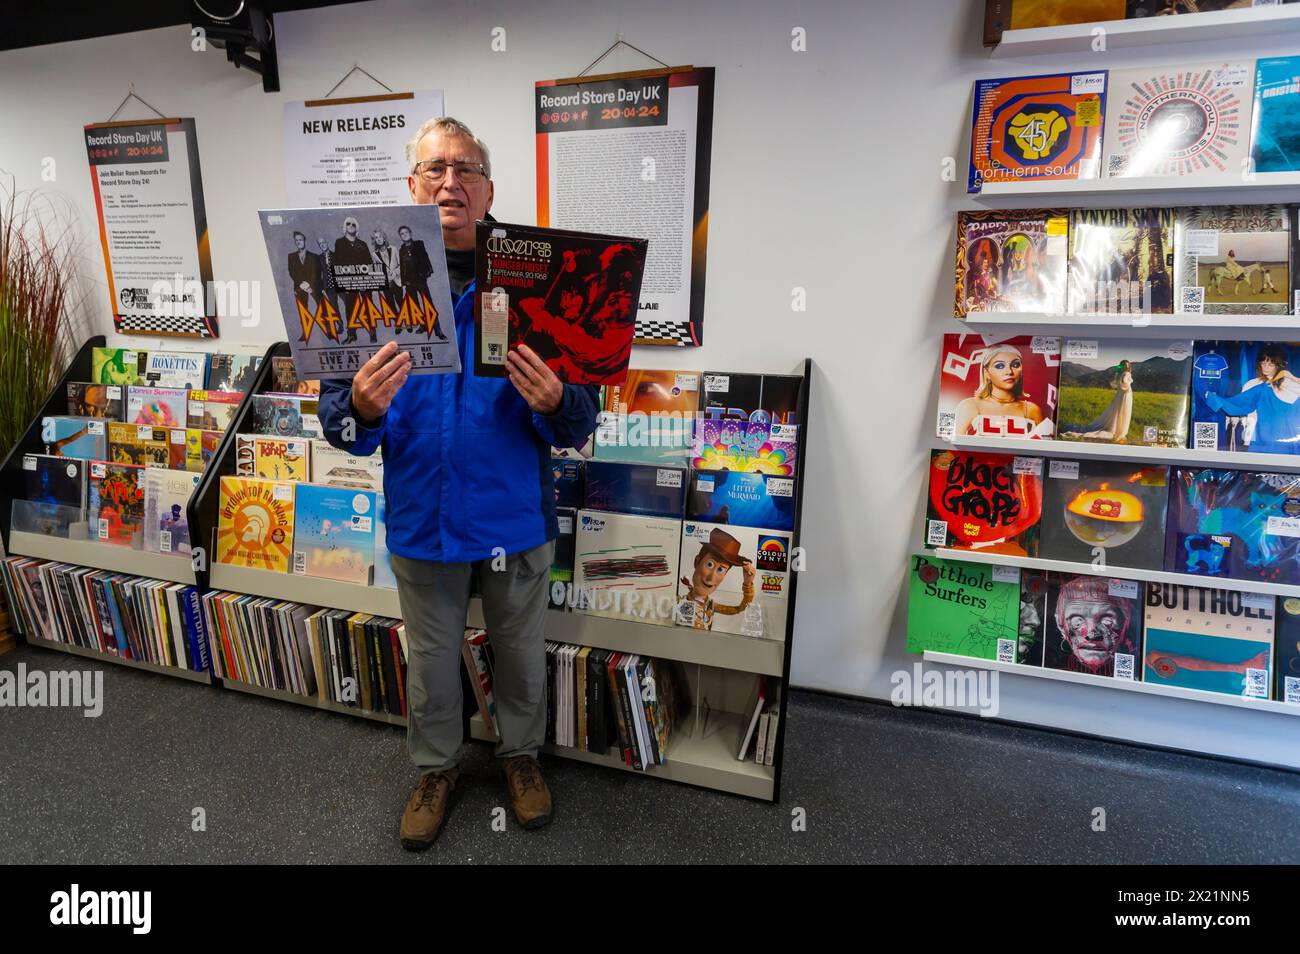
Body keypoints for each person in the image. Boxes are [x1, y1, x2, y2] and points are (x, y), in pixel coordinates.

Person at [317, 117, 599, 852]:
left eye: (466, 169)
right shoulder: (370, 283)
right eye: (435, 169)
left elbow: (579, 420)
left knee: (519, 651)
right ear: (411, 187)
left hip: (513, 517)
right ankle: (436, 768)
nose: (451, 181)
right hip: (424, 515)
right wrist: (362, 409)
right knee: (433, 661)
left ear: (488, 189)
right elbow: (339, 429)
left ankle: (521, 756)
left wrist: (555, 403)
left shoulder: (541, 278)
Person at [1202, 345, 1300, 454]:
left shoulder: (1288, 385)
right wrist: (1214, 399)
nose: (1266, 367)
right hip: (1266, 443)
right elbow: (1239, 404)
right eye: (1263, 363)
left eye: (1271, 364)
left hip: (1287, 444)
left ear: (1278, 366)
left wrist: (1293, 379)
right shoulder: (1259, 388)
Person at [952, 344, 1045, 438]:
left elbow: (1043, 449)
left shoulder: (1032, 409)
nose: (1009, 371)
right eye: (1000, 366)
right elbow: (952, 446)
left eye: (1015, 365)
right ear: (986, 372)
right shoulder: (969, 406)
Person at [1063, 359, 1133, 443]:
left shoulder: (1121, 373)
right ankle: (1119, 429)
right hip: (1126, 393)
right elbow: (1124, 382)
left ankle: (1116, 427)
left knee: (1118, 410)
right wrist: (1126, 386)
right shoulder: (1126, 373)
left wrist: (1122, 385)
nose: (1126, 366)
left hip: (1121, 394)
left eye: (1126, 365)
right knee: (1122, 411)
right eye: (1125, 365)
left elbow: (1117, 384)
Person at [397, 224, 446, 340]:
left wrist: (424, 275)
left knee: (429, 305)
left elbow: (425, 259)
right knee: (415, 307)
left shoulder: (419, 244)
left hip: (420, 280)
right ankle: (423, 325)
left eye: (406, 232)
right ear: (400, 237)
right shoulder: (401, 250)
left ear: (410, 233)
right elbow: (402, 267)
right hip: (409, 283)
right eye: (402, 234)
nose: (404, 235)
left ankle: (438, 330)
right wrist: (404, 283)